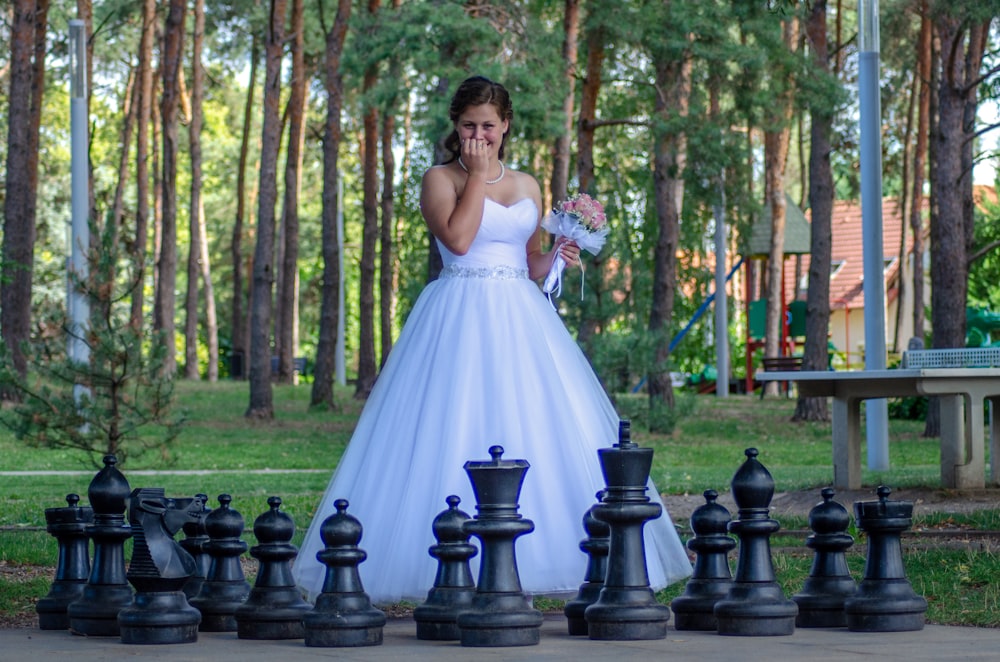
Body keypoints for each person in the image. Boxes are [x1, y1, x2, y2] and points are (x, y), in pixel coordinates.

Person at [292, 75, 691, 604]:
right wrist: (476, 178)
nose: (477, 135)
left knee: (534, 422)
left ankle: (547, 559)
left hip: (521, 316)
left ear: (505, 126)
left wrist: (557, 258)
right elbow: (457, 239)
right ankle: (444, 563)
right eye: (467, 126)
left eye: (487, 125)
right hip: (457, 310)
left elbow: (527, 264)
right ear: (454, 128)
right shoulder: (440, 178)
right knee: (452, 421)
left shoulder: (527, 185)